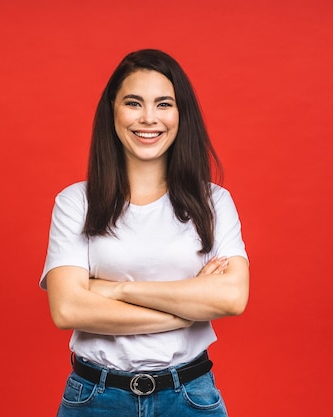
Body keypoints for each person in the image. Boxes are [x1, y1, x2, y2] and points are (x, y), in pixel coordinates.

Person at [40, 49, 249, 416]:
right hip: (95, 398)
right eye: (134, 103)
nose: (149, 118)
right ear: (113, 112)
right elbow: (68, 307)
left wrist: (116, 289)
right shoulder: (75, 202)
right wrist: (187, 311)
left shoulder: (214, 202)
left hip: (189, 397)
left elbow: (231, 298)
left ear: (181, 114)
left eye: (164, 104)